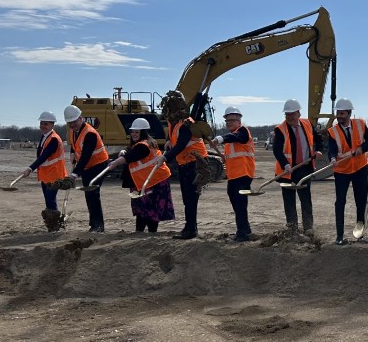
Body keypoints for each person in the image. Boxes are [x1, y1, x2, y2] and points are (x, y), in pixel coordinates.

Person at [153, 91, 209, 240]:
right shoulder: (174, 123)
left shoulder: (186, 124)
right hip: (186, 163)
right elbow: (173, 138)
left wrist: (165, 157)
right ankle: (190, 227)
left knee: (190, 198)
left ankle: (191, 229)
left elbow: (182, 144)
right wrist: (168, 141)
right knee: (187, 198)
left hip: (195, 164)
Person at [106, 118, 175, 233]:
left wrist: (115, 162)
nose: (134, 134)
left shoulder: (143, 146)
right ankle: (139, 231)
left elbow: (130, 156)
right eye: (132, 132)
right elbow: (130, 151)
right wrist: (124, 151)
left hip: (154, 181)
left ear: (143, 132)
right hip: (144, 181)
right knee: (141, 209)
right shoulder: (143, 143)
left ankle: (151, 233)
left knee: (150, 209)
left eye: (137, 132)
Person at [326, 98, 368, 245]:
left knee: (360, 201)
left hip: (360, 168)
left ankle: (360, 234)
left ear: (349, 113)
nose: (339, 116)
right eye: (338, 113)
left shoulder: (360, 124)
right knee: (340, 202)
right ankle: (339, 236)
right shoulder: (333, 131)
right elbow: (332, 149)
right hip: (342, 171)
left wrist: (362, 148)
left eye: (342, 113)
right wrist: (333, 158)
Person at [271, 98, 323, 234]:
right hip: (288, 171)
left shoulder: (307, 124)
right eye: (287, 114)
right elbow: (277, 150)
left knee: (306, 199)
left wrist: (319, 150)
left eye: (292, 114)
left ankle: (308, 228)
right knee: (289, 202)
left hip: (305, 168)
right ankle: (292, 229)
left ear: (299, 113)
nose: (289, 117)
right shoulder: (280, 130)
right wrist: (285, 164)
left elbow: (318, 139)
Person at [211, 106, 257, 242]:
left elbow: (236, 138)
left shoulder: (242, 132)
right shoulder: (232, 137)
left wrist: (219, 139)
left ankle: (242, 233)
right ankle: (244, 230)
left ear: (239, 120)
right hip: (233, 175)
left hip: (243, 174)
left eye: (231, 120)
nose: (228, 123)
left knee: (240, 204)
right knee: (236, 203)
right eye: (226, 121)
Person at [63, 104, 109, 232]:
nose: (72, 125)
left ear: (81, 118)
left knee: (93, 194)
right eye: (69, 123)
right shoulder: (74, 131)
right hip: (88, 167)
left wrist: (75, 174)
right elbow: (74, 143)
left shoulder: (90, 134)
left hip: (98, 165)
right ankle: (94, 224)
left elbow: (86, 156)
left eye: (74, 122)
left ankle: (98, 226)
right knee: (89, 195)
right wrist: (72, 152)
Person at [22, 111, 68, 231]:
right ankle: (52, 225)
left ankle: (54, 226)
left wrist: (30, 168)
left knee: (51, 201)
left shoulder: (53, 139)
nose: (43, 126)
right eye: (42, 123)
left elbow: (44, 157)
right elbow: (41, 156)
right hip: (46, 174)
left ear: (52, 125)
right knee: (49, 201)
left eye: (46, 124)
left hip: (54, 175)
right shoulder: (45, 137)